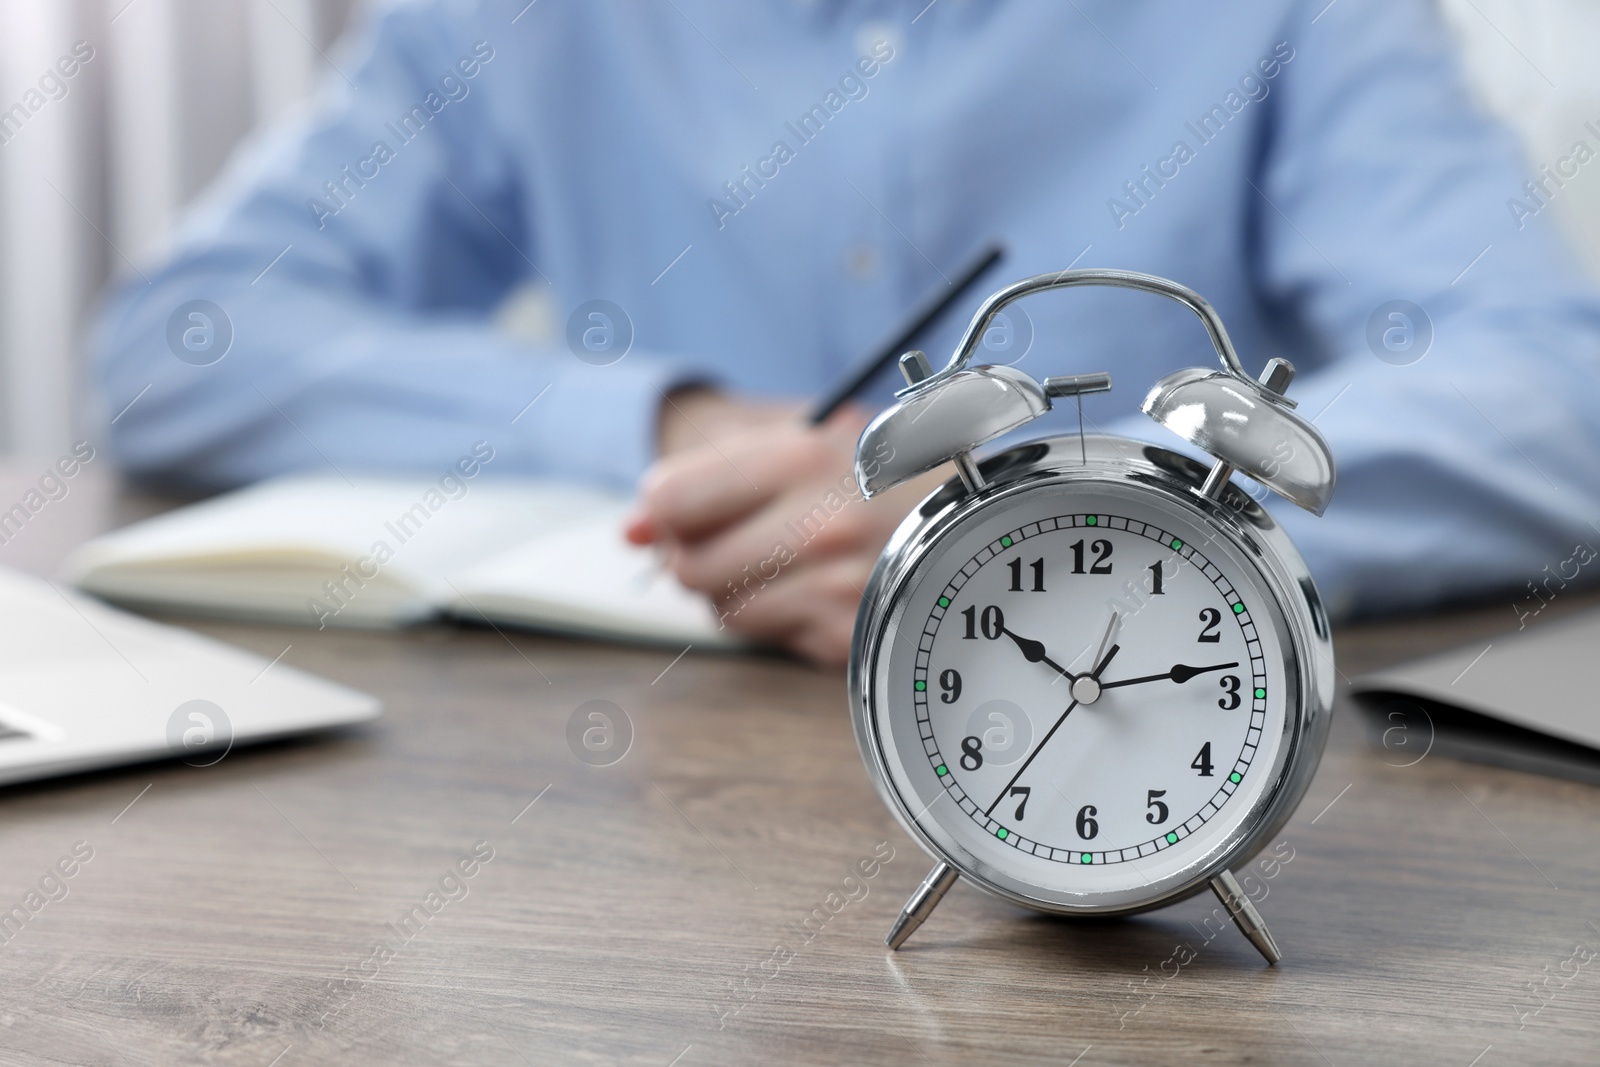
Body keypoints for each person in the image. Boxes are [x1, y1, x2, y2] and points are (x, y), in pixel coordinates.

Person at [97, 0, 1600, 665]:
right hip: (650, 786)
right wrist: (667, 424)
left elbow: (1550, 392)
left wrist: (1070, 512)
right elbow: (184, 337)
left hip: (1135, 715)